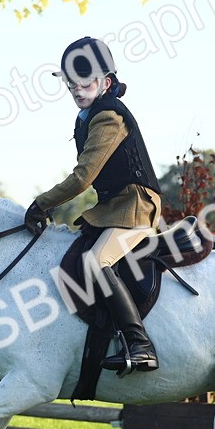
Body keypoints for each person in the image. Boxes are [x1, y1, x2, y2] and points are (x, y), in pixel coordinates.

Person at [24, 37, 162, 373]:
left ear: (106, 82)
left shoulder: (109, 117)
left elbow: (83, 178)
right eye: (71, 84)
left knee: (96, 263)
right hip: (112, 207)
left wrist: (41, 204)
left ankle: (139, 344)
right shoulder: (87, 115)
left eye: (84, 83)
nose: (76, 89)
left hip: (135, 207)